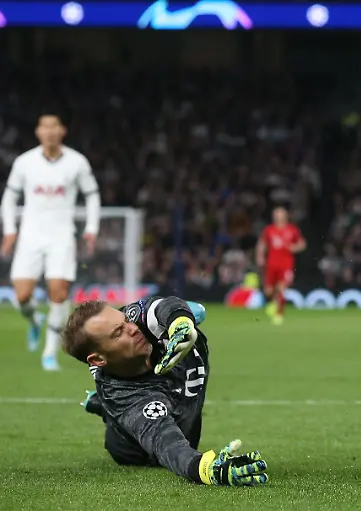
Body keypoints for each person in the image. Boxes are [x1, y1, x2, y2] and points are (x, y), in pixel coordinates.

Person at [63, 296, 269, 486]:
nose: (133, 329)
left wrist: (180, 321)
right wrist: (206, 469)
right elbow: (169, 446)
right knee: (124, 425)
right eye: (118, 332)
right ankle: (104, 407)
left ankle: (101, 402)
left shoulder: (139, 323)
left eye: (125, 320)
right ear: (98, 359)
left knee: (190, 310)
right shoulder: (129, 400)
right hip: (132, 448)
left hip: (160, 388)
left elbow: (160, 306)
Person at [1, 112, 101, 371]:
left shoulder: (77, 162)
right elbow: (9, 198)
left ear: (62, 131)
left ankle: (49, 353)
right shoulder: (25, 162)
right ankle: (34, 320)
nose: (49, 131)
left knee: (58, 292)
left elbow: (92, 195)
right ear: (38, 132)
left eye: (54, 126)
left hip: (61, 236)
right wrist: (10, 230)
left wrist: (91, 228)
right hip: (30, 235)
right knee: (22, 295)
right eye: (44, 127)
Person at [256, 206, 306, 325]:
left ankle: (279, 314)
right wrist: (260, 256)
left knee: (281, 288)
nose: (278, 217)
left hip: (286, 265)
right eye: (276, 215)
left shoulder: (292, 230)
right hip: (271, 264)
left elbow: (302, 243)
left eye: (280, 215)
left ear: (285, 216)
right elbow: (262, 244)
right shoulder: (269, 230)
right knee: (268, 291)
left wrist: (294, 248)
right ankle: (273, 306)